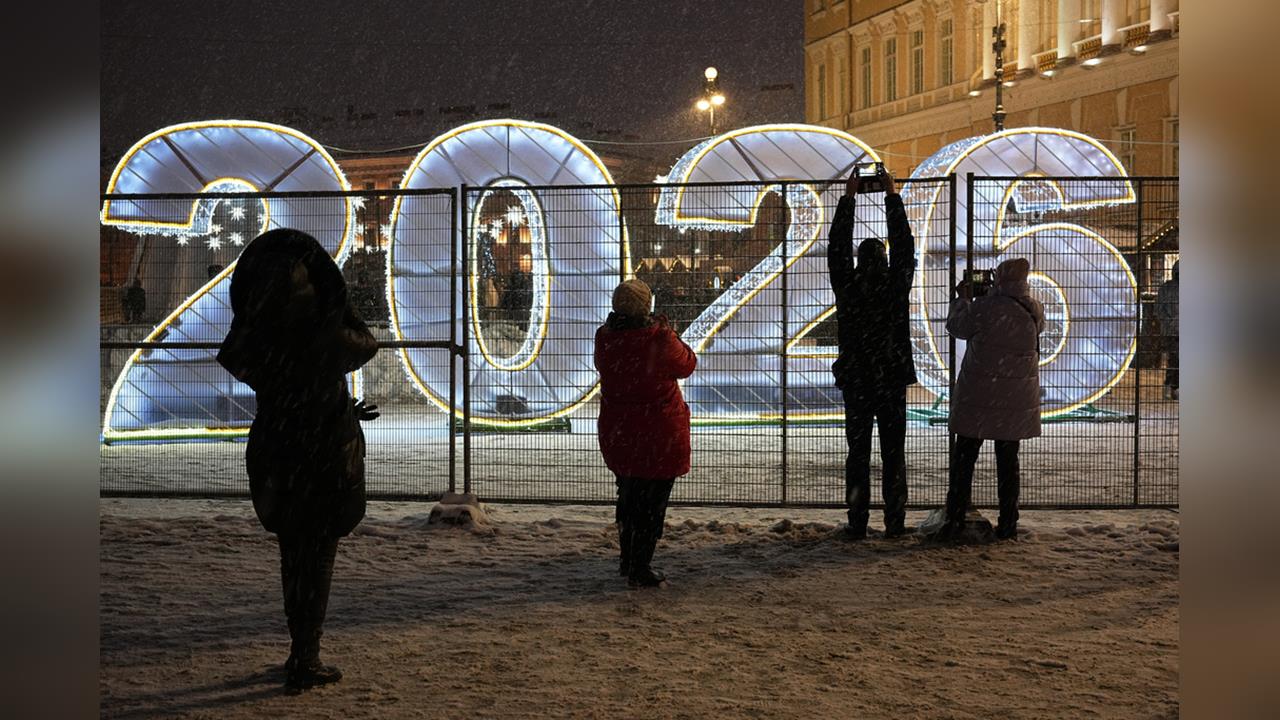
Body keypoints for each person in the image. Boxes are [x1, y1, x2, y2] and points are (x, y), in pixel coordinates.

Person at [215, 228, 379, 693]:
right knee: (319, 554)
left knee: (292, 553)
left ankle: (299, 649)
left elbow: (239, 356)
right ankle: (306, 655)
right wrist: (337, 300)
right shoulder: (326, 336)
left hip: (279, 451)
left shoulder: (259, 340)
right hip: (325, 454)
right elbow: (366, 343)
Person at [826, 168, 917, 539]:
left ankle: (857, 520)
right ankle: (895, 521)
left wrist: (848, 200)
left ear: (858, 261)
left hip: (858, 379)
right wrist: (891, 197)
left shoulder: (848, 288)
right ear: (885, 260)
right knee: (894, 454)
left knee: (858, 453)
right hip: (891, 378)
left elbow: (835, 248)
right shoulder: (896, 288)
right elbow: (906, 246)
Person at [594, 279, 697, 588]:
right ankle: (641, 565)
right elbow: (688, 364)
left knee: (628, 496)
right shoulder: (659, 339)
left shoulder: (605, 337)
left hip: (621, 430)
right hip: (658, 433)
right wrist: (670, 333)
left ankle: (628, 559)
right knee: (652, 504)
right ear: (647, 306)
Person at [941, 257, 1046, 541]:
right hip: (1012, 402)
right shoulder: (1034, 308)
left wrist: (962, 299)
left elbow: (956, 328)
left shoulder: (984, 308)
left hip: (979, 397)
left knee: (964, 460)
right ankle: (1008, 524)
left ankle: (955, 518)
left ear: (997, 278)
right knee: (1008, 465)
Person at [1155, 260, 1179, 400]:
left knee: (1174, 359)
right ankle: (1173, 386)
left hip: (1171, 330)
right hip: (1173, 330)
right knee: (1176, 359)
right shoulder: (1166, 289)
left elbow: (1158, 310)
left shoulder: (1165, 288)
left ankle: (1171, 386)